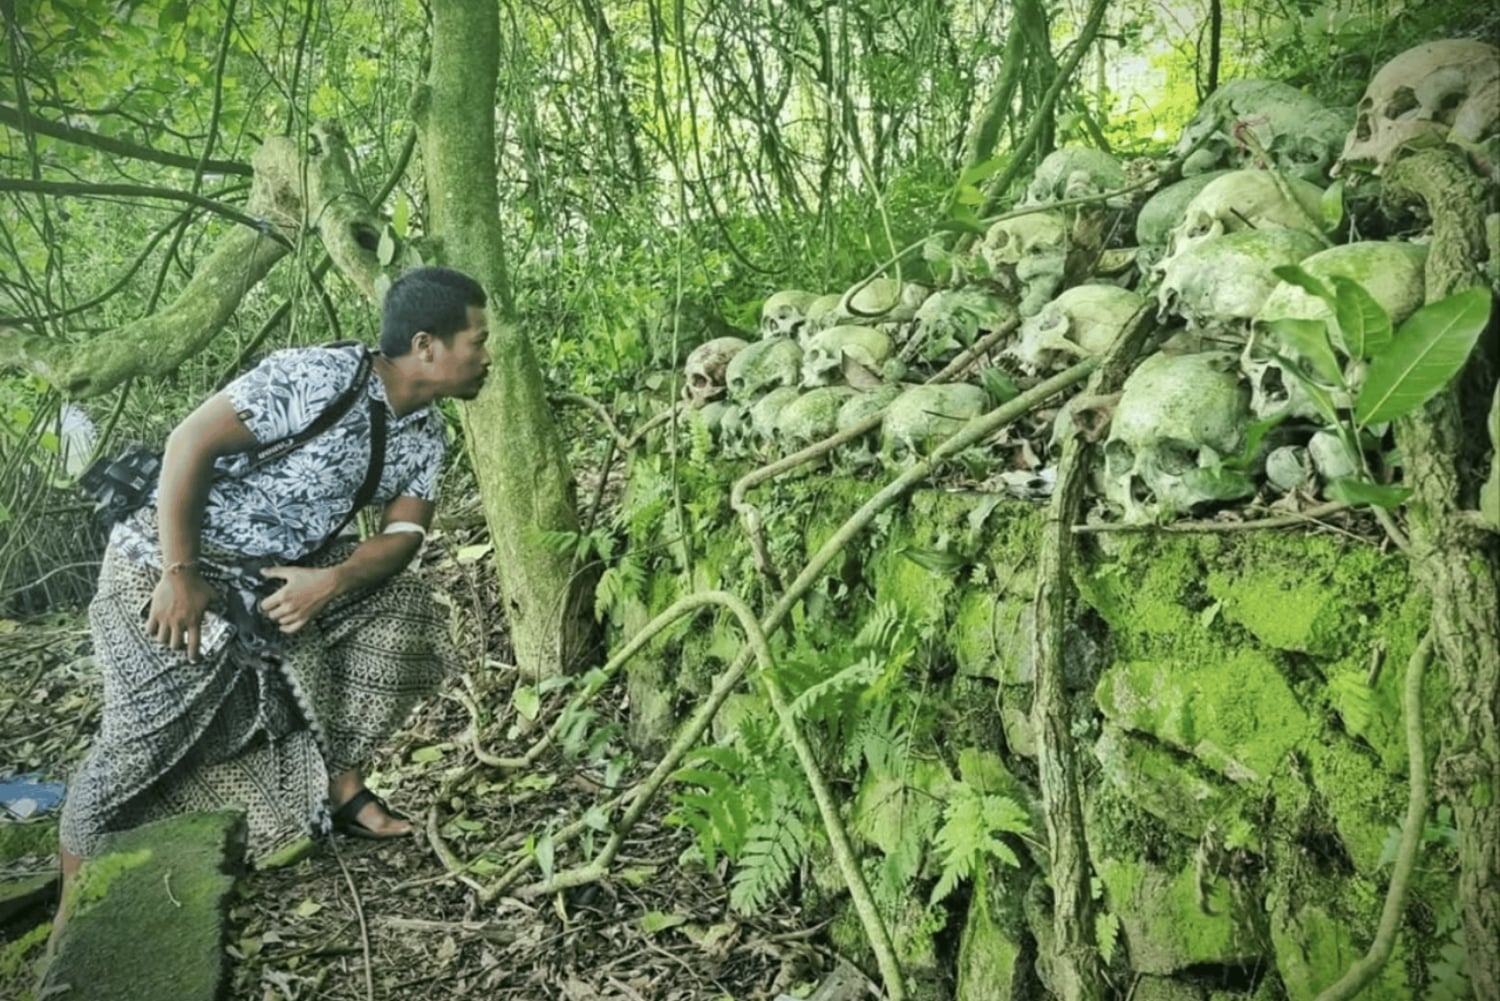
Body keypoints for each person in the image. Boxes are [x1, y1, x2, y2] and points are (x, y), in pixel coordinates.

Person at [56, 265, 491, 897]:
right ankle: (79, 899)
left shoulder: (426, 432)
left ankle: (342, 788)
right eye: (477, 340)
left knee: (399, 605)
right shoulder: (316, 376)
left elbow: (406, 537)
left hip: (262, 584)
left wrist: (333, 580)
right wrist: (179, 573)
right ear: (427, 346)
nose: (487, 355)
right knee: (139, 746)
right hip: (164, 567)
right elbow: (188, 443)